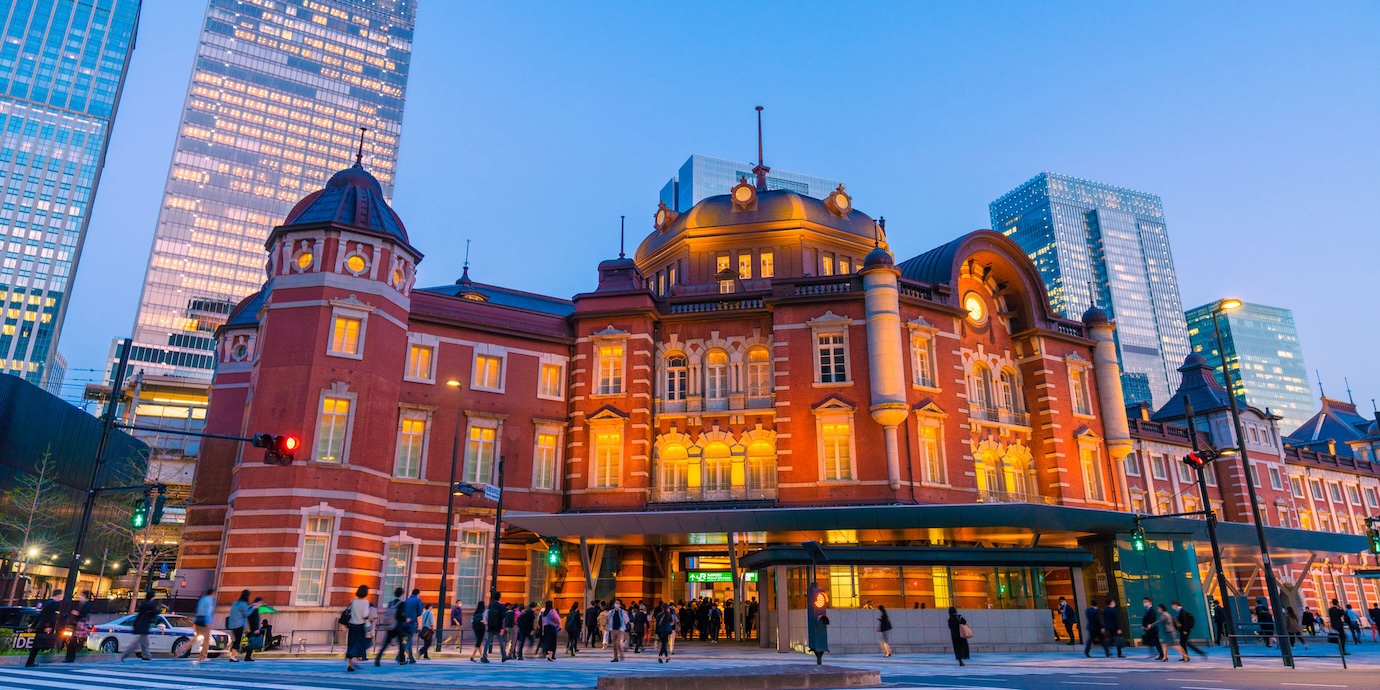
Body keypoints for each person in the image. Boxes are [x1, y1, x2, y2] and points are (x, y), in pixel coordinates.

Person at [25, 591, 62, 668]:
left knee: (36, 644)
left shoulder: (47, 602)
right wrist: (48, 626)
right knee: (38, 644)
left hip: (40, 625)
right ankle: (30, 661)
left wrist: (33, 626)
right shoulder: (53, 604)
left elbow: (40, 615)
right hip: (44, 626)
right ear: (58, 595)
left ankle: (30, 661)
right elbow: (50, 616)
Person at [374, 587, 409, 666]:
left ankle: (378, 658)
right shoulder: (401, 603)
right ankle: (402, 660)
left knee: (386, 643)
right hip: (398, 626)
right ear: (402, 594)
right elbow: (399, 615)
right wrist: (406, 619)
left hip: (390, 626)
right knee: (400, 643)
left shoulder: (391, 603)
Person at [345, 584, 372, 672]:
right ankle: (356, 659)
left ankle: (350, 664)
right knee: (360, 643)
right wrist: (369, 618)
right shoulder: (365, 602)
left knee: (351, 643)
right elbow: (365, 615)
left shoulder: (353, 601)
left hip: (352, 624)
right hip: (361, 625)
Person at [63, 590, 94, 663]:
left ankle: (70, 657)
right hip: (76, 624)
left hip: (80, 625)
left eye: (81, 595)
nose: (79, 597)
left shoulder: (87, 604)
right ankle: (69, 657)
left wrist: (77, 613)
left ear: (85, 596)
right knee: (72, 641)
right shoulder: (80, 604)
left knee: (73, 641)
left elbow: (85, 614)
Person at [227, 589, 251, 662]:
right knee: (237, 640)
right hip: (239, 624)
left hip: (232, 623)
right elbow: (246, 614)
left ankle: (232, 654)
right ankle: (233, 656)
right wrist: (252, 608)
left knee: (235, 640)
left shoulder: (235, 603)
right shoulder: (244, 604)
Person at [194, 588, 217, 663]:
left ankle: (181, 649)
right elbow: (208, 612)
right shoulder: (210, 600)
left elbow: (198, 609)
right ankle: (203, 656)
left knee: (195, 638)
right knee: (206, 640)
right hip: (205, 621)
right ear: (212, 593)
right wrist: (208, 622)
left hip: (198, 619)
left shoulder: (202, 599)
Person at [483, 593, 506, 662]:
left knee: (488, 641)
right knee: (501, 642)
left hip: (491, 626)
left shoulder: (491, 605)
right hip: (498, 627)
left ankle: (484, 656)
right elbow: (502, 618)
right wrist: (502, 627)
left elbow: (488, 615)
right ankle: (503, 656)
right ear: (500, 598)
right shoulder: (501, 606)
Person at [244, 597, 263, 662]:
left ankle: (247, 655)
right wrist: (256, 628)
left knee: (250, 642)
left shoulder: (250, 608)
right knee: (252, 642)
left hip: (249, 628)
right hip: (253, 628)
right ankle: (248, 656)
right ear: (258, 602)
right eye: (261, 602)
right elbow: (255, 619)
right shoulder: (255, 609)